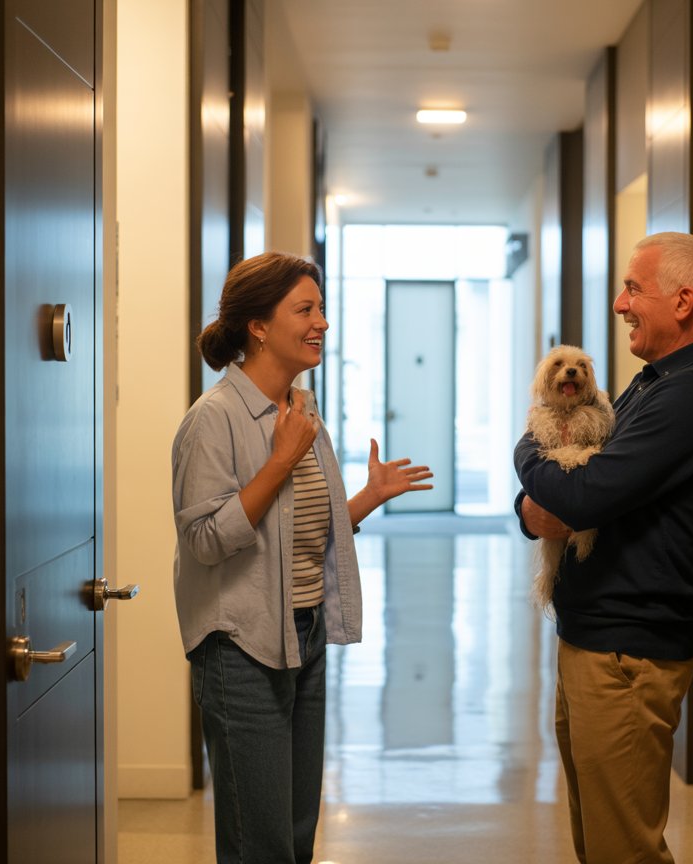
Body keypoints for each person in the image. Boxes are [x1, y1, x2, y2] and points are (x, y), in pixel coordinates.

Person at [172, 251, 433, 864]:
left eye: (322, 309)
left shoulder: (300, 409)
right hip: (240, 646)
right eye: (305, 310)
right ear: (258, 326)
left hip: (302, 634)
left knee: (293, 834)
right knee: (258, 841)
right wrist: (281, 462)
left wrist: (367, 497)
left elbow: (298, 530)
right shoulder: (212, 421)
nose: (320, 323)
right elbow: (206, 540)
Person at [513, 232, 693, 864]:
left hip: (628, 653)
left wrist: (524, 455)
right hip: (595, 638)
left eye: (632, 288)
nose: (620, 303)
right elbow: (566, 494)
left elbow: (585, 495)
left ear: (682, 301)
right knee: (598, 837)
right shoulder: (653, 383)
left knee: (624, 847)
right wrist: (536, 502)